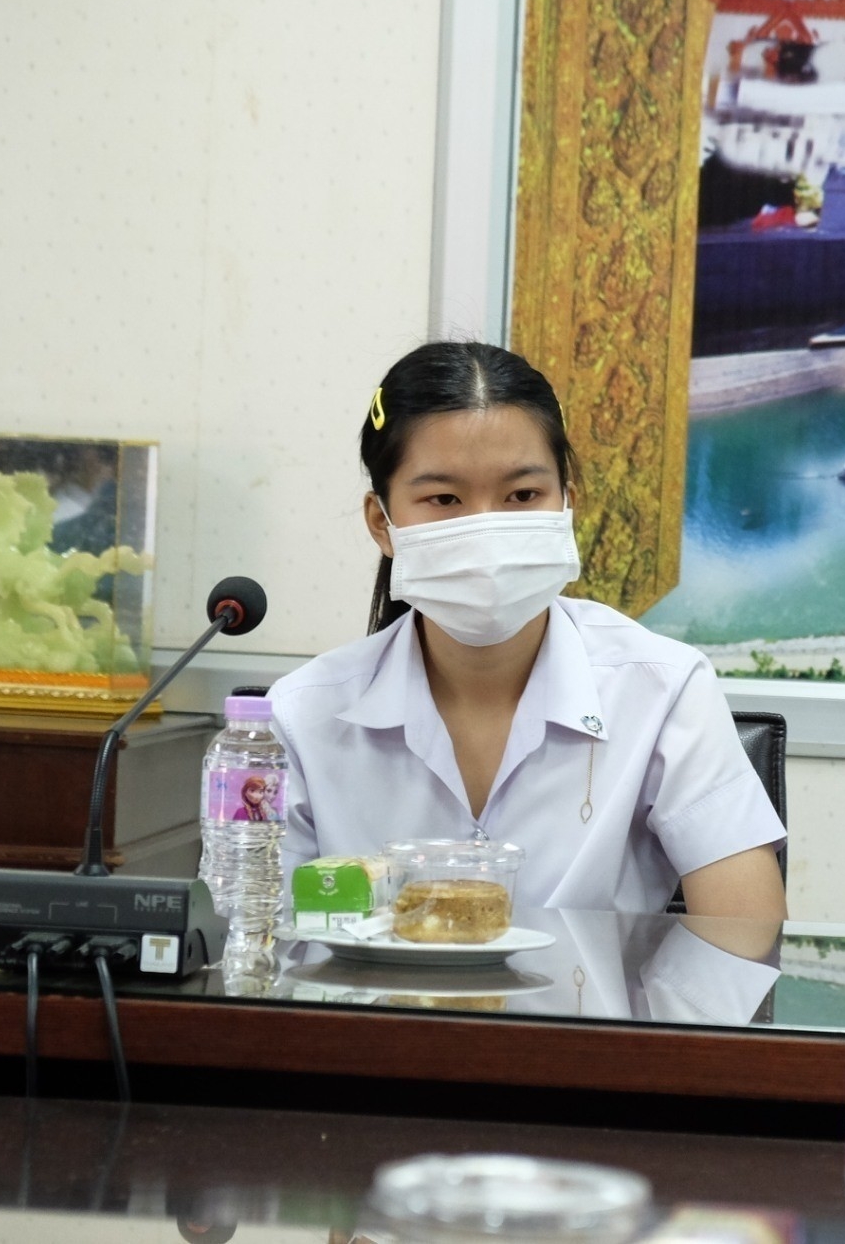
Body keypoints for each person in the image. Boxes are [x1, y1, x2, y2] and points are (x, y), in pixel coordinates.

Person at [271, 341, 787, 920]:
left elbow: (747, 939)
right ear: (381, 524)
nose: (486, 528)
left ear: (567, 502)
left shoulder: (664, 689)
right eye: (444, 498)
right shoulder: (299, 717)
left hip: (595, 1014)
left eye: (522, 495)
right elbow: (259, 949)